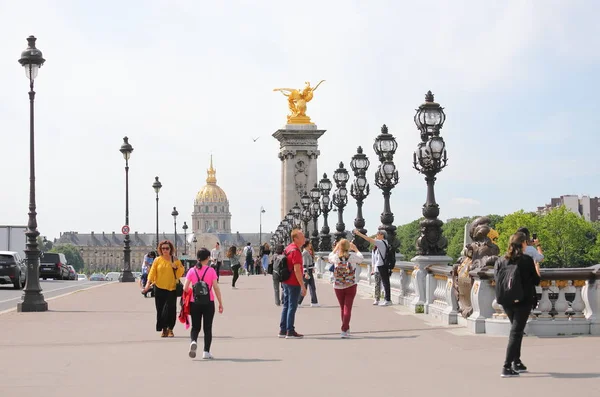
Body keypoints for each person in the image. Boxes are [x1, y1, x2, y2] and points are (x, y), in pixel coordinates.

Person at [495, 232, 541, 378]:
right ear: (522, 244)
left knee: (517, 331)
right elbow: (536, 281)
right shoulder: (526, 260)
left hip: (507, 300)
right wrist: (536, 266)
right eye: (526, 243)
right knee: (516, 332)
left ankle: (517, 362)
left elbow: (497, 279)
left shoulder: (501, 260)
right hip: (523, 300)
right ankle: (506, 366)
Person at [183, 248, 223, 359]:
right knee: (208, 328)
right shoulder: (211, 271)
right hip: (208, 302)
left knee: (195, 327)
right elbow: (216, 288)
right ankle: (206, 352)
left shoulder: (191, 271)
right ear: (208, 258)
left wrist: (192, 292)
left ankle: (193, 341)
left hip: (194, 302)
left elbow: (185, 288)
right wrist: (220, 303)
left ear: (197, 258)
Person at [142, 240, 184, 337]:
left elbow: (180, 273)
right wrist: (147, 285)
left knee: (171, 309)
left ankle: (170, 329)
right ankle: (164, 329)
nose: (165, 250)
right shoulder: (157, 260)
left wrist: (176, 268)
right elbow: (152, 273)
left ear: (170, 249)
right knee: (160, 310)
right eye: (163, 248)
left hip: (171, 288)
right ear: (160, 249)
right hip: (159, 288)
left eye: (167, 248)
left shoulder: (175, 259)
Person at [328, 239, 364, 338]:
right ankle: (344, 330)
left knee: (342, 308)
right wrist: (356, 249)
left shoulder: (335, 257)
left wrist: (336, 248)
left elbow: (329, 257)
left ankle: (346, 328)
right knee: (347, 308)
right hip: (350, 284)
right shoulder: (352, 257)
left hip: (338, 285)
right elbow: (361, 258)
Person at [279, 229, 307, 339]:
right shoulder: (295, 251)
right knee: (292, 306)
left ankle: (283, 329)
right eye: (302, 236)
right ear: (296, 239)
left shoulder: (288, 248)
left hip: (286, 281)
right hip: (293, 282)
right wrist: (302, 285)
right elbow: (297, 270)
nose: (304, 238)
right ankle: (290, 331)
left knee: (286, 306)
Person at [353, 229, 392, 306]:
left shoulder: (381, 242)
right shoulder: (384, 242)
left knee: (385, 283)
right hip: (381, 265)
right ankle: (384, 299)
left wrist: (359, 233)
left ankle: (387, 300)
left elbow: (369, 239)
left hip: (381, 265)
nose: (376, 236)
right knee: (383, 282)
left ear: (382, 235)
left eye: (378, 234)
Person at [298, 240, 319, 307]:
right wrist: (306, 273)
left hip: (309, 271)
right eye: (310, 244)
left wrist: (312, 268)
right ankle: (298, 302)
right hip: (307, 272)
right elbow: (304, 264)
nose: (311, 245)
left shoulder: (307, 252)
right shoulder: (305, 253)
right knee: (305, 287)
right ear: (307, 244)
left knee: (312, 287)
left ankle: (314, 302)